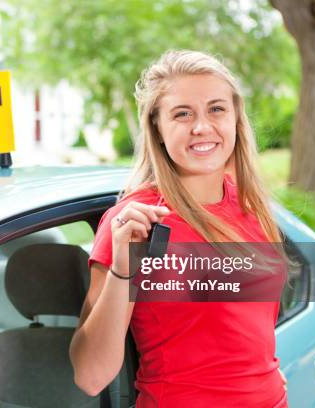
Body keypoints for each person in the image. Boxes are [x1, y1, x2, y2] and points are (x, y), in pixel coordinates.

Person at [69, 50, 288, 407]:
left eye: (216, 109)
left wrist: (268, 378)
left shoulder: (251, 207)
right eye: (182, 114)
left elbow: (248, 334)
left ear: (235, 119)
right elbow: (90, 376)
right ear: (157, 126)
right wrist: (124, 270)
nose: (201, 127)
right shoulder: (135, 223)